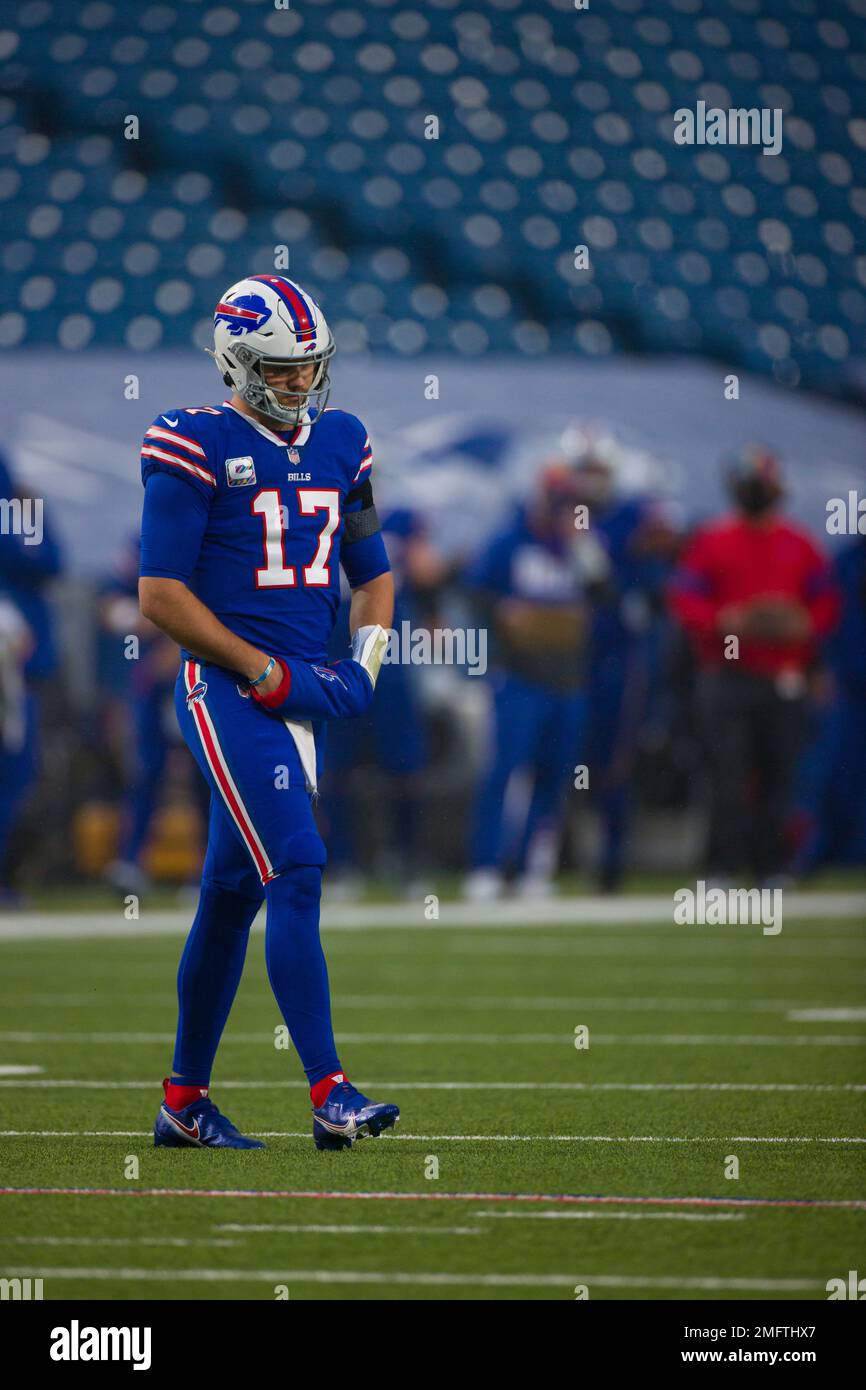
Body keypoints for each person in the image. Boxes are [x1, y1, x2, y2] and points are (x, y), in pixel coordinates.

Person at [138, 274, 399, 1149]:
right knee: (297, 866)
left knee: (227, 897)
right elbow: (161, 596)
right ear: (237, 362)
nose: (300, 385)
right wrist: (260, 671)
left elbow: (376, 579)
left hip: (295, 693)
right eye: (283, 370)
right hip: (227, 690)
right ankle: (330, 1090)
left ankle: (183, 1102)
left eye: (309, 368)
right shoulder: (193, 441)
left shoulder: (343, 440)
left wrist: (363, 666)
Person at [668, 446, 839, 883]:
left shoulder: (799, 544)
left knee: (779, 774)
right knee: (726, 774)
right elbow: (685, 598)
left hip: (783, 675)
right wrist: (724, 622)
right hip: (728, 672)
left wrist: (803, 625)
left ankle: (770, 865)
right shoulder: (715, 541)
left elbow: (827, 603)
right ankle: (722, 865)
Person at [462, 461, 610, 900]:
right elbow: (475, 592)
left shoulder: (582, 544)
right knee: (503, 771)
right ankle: (487, 867)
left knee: (554, 775)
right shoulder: (511, 540)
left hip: (568, 678)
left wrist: (584, 549)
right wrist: (504, 616)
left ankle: (532, 867)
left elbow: (607, 594)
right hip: (520, 676)